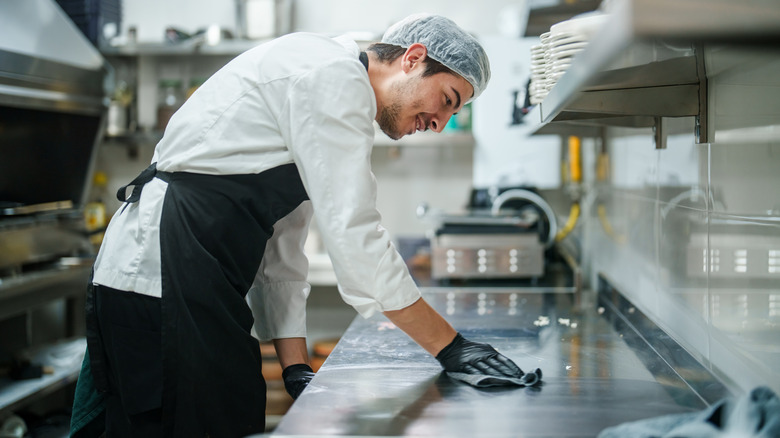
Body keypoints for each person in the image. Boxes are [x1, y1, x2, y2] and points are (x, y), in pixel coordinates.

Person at [70, 13, 535, 438]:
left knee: (228, 412)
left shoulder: (331, 82)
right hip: (158, 273)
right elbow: (356, 235)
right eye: (447, 100)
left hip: (192, 275)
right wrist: (450, 347)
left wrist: (295, 364)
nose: (440, 122)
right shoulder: (333, 77)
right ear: (414, 59)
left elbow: (284, 243)